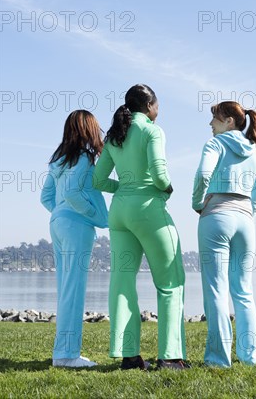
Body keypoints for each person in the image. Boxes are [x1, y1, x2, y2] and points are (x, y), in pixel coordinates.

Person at [93, 84, 187, 370]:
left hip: (119, 213)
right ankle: (170, 357)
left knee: (122, 282)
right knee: (171, 283)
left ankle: (129, 357)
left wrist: (124, 187)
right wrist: (168, 189)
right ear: (150, 106)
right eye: (158, 104)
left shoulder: (114, 137)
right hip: (148, 210)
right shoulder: (152, 131)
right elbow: (160, 174)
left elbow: (98, 180)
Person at [192, 101, 256, 367]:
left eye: (215, 119)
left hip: (216, 216)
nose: (211, 124)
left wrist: (198, 203)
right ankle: (252, 356)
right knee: (243, 290)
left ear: (229, 122)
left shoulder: (215, 144)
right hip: (246, 221)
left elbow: (202, 175)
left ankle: (218, 359)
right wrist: (246, 214)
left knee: (216, 288)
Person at [41, 110, 109, 368]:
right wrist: (91, 216)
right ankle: (67, 356)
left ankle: (63, 352)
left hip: (58, 224)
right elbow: (72, 192)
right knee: (74, 289)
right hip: (76, 226)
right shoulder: (82, 158)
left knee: (65, 288)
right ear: (88, 130)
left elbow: (46, 197)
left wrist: (61, 213)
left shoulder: (58, 160)